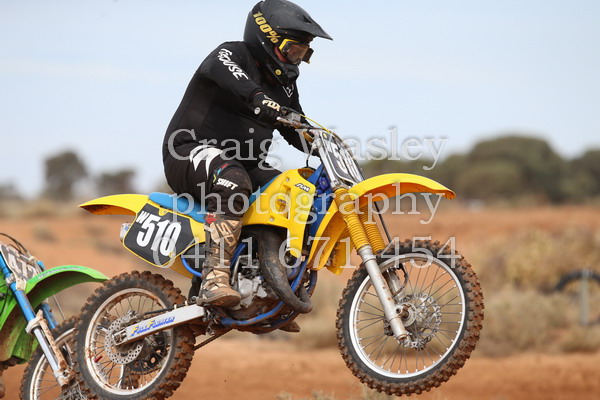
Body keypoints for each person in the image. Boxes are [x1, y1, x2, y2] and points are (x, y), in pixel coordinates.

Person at [162, 0, 332, 315]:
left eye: (303, 53)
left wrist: (325, 144)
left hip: (245, 164)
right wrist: (262, 101)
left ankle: (268, 284)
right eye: (293, 49)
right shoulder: (230, 54)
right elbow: (237, 83)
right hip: (187, 152)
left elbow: (295, 126)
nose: (297, 59)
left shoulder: (285, 86)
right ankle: (214, 278)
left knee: (293, 193)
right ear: (267, 37)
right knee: (234, 180)